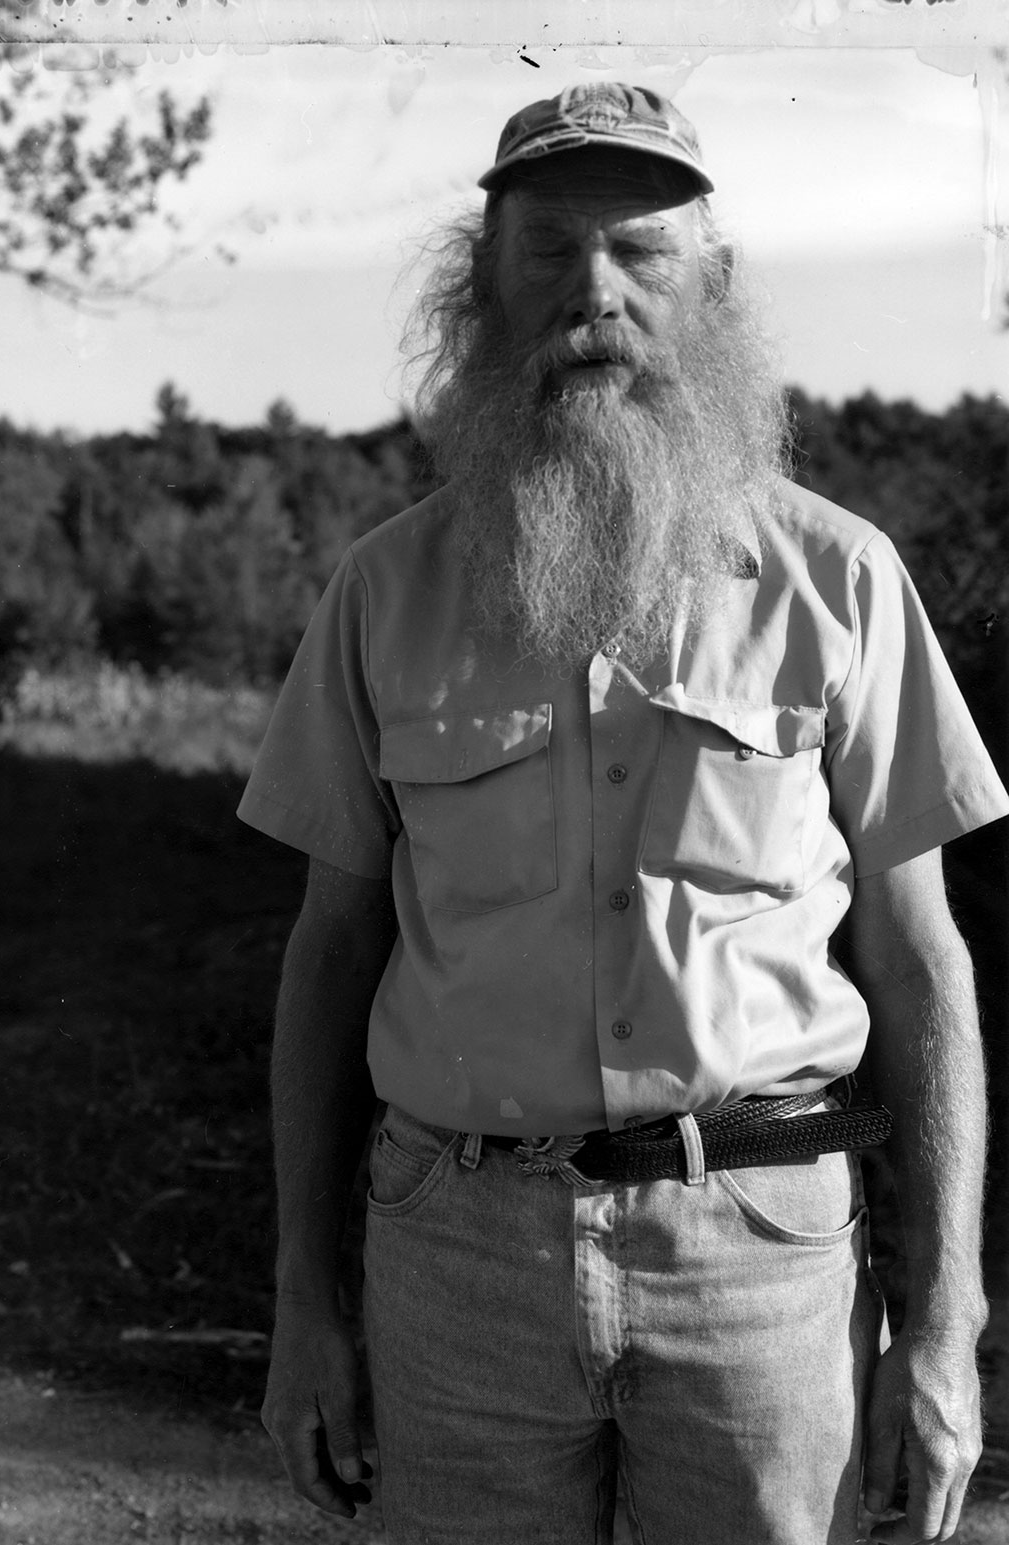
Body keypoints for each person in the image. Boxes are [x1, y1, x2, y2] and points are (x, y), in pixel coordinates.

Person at [237, 82, 1009, 1545]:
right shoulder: (383, 594)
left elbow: (924, 965)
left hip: (764, 1254)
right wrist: (301, 1304)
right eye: (549, 251)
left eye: (642, 253)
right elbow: (329, 955)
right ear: (482, 288)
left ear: (711, 291)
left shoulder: (840, 582)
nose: (594, 291)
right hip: (457, 1252)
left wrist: (947, 1319)